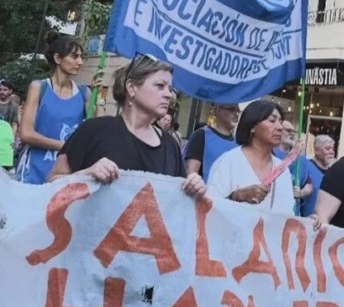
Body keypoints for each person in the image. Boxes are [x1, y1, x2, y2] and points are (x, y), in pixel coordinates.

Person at [47, 55, 205, 197]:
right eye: (160, 86)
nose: (168, 94)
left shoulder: (170, 145)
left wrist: (193, 187)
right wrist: (86, 174)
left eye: (170, 89)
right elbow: (51, 184)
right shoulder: (94, 130)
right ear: (131, 88)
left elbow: (177, 201)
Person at [16, 31, 100, 184]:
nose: (80, 62)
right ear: (57, 58)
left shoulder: (84, 93)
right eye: (74, 56)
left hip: (65, 174)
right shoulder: (39, 88)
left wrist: (99, 98)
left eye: (81, 57)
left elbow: (97, 129)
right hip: (34, 170)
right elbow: (26, 134)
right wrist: (66, 146)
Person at [207, 100, 296, 216]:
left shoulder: (283, 170)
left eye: (280, 121)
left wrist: (311, 223)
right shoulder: (227, 162)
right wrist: (237, 196)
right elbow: (208, 208)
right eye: (272, 121)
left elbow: (288, 215)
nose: (280, 127)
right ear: (252, 126)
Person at [184, 103, 240, 178]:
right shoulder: (201, 135)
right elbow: (190, 174)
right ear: (218, 109)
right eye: (232, 109)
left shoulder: (237, 143)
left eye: (238, 110)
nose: (236, 114)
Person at [274, 120, 313, 216]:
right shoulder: (271, 153)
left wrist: (301, 193)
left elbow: (309, 183)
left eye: (294, 132)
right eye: (288, 130)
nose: (292, 134)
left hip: (294, 213)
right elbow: (273, 175)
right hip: (275, 211)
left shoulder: (301, 158)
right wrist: (292, 155)